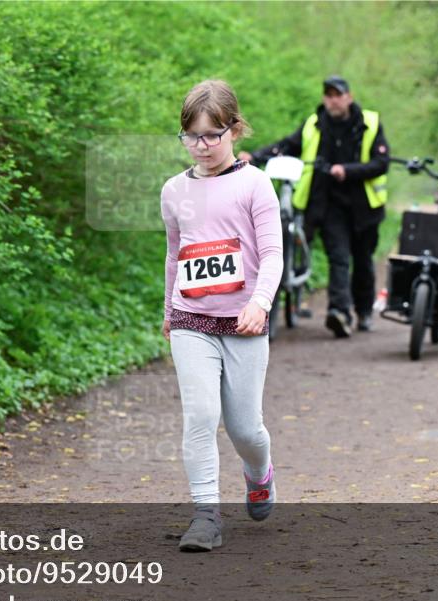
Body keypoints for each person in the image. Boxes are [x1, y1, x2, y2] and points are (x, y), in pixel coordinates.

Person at [161, 79, 283, 552]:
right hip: (193, 318)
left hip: (244, 320)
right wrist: (170, 309)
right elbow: (175, 255)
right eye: (192, 136)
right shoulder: (173, 191)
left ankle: (259, 472)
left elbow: (272, 253)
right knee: (200, 416)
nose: (202, 146)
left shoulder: (255, 183)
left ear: (234, 130)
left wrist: (261, 302)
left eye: (213, 134)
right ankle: (206, 515)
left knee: (245, 428)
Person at [239, 76, 390, 337]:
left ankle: (364, 312)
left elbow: (381, 163)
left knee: (363, 261)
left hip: (365, 207)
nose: (333, 99)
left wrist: (348, 171)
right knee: (338, 258)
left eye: (337, 94)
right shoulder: (314, 124)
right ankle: (339, 312)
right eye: (328, 95)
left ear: (349, 97)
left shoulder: (370, 123)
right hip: (330, 205)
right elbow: (286, 147)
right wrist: (255, 157)